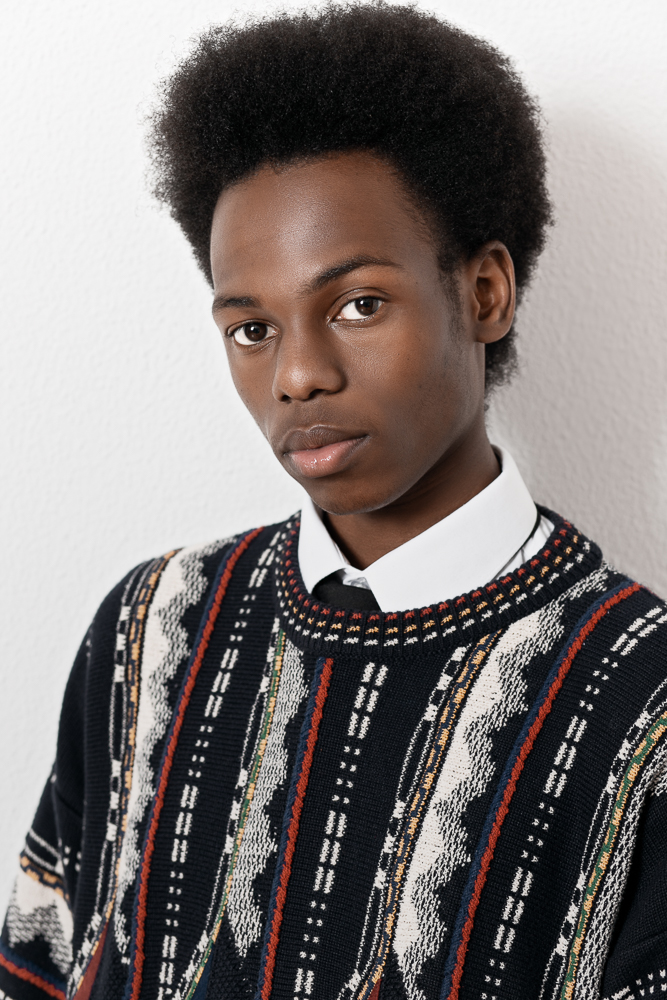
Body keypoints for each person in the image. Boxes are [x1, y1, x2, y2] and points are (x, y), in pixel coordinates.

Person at [1, 5, 666, 1000]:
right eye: (251, 328)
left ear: (484, 293)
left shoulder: (639, 702)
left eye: (357, 304)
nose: (297, 374)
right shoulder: (150, 628)